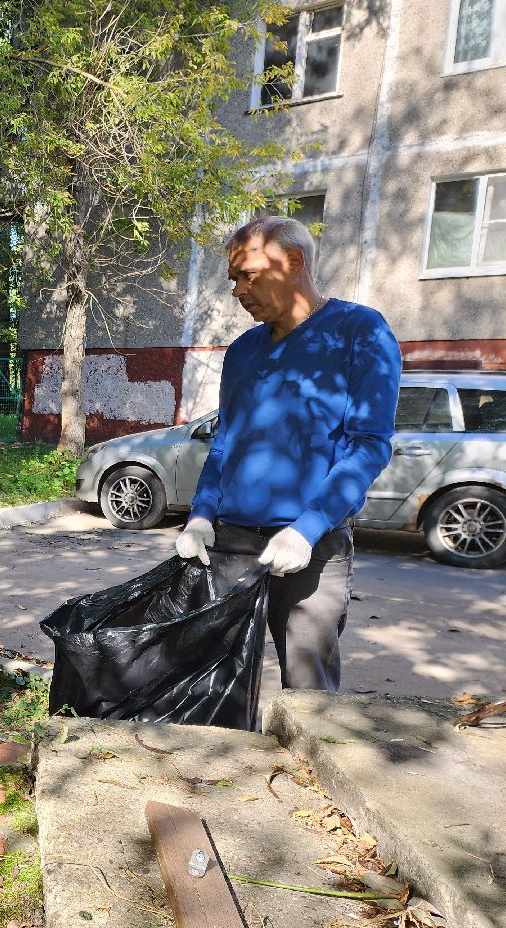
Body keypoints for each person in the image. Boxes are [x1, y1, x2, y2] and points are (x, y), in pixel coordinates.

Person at [176, 216, 401, 691]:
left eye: (248, 276)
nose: (237, 290)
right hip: (232, 544)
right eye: (233, 279)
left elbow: (369, 446)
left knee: (308, 687)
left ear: (293, 262)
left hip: (310, 549)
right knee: (219, 685)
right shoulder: (242, 350)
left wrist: (307, 529)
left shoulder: (359, 331)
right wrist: (200, 516)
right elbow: (226, 443)